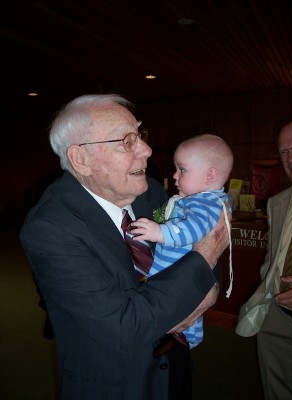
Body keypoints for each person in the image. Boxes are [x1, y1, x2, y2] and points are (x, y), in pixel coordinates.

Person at [20, 94, 230, 400]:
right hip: (116, 383)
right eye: (127, 141)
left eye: (140, 135)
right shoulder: (50, 228)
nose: (146, 149)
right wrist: (206, 259)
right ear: (81, 159)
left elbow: (197, 246)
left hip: (175, 363)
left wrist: (208, 289)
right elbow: (126, 327)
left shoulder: (151, 192)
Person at [130, 134, 233, 349]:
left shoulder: (206, 203)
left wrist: (159, 232)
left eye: (182, 170)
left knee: (186, 312)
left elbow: (192, 230)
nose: (175, 176)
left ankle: (189, 338)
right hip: (170, 273)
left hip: (178, 273)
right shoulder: (200, 199)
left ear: (210, 175)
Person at [235, 121, 292, 400]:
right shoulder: (278, 202)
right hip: (276, 319)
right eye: (284, 151)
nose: (290, 158)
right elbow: (272, 258)